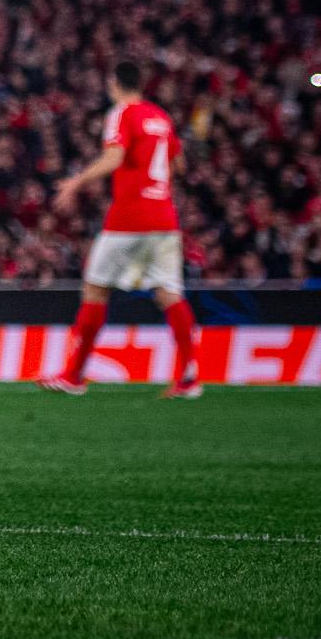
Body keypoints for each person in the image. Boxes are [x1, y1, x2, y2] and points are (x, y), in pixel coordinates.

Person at [40, 60, 203, 399]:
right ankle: (189, 378)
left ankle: (73, 376)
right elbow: (179, 165)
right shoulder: (160, 117)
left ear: (114, 83)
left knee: (95, 290)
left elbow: (114, 158)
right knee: (169, 294)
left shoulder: (122, 113)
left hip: (130, 219)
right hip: (165, 218)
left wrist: (76, 183)